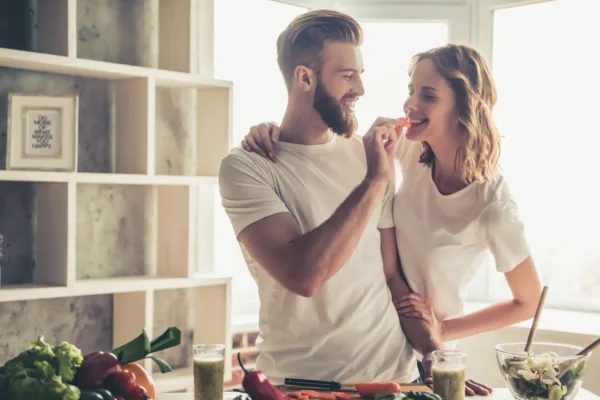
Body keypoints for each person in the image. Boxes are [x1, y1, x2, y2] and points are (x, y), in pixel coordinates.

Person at [240, 43, 543, 359]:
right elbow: (334, 144)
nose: (410, 104)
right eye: (411, 90)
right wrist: (274, 132)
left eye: (428, 95)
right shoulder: (412, 150)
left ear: (465, 107)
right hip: (379, 336)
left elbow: (529, 301)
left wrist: (443, 330)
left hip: (427, 351)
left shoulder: (492, 206)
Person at [218, 8, 447, 389]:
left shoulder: (369, 155)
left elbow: (389, 276)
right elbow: (303, 274)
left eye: (360, 74)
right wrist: (374, 180)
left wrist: (435, 354)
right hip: (303, 385)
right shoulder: (248, 167)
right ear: (304, 77)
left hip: (396, 381)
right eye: (347, 75)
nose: (360, 89)